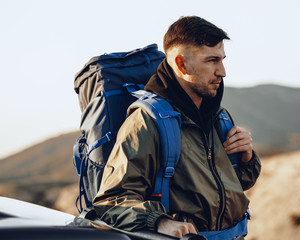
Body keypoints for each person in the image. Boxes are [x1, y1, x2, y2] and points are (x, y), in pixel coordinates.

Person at [93, 16, 261, 239]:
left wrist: (247, 159)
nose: (222, 71)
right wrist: (159, 221)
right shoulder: (147, 120)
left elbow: (231, 187)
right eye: (212, 61)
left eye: (222, 60)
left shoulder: (218, 117)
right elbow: (111, 201)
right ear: (181, 64)